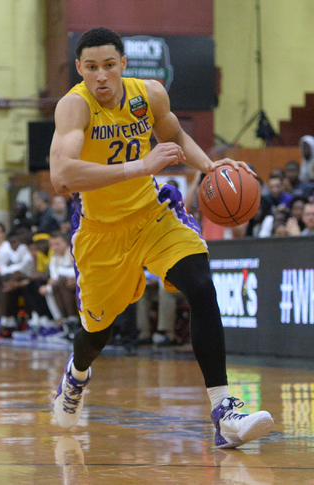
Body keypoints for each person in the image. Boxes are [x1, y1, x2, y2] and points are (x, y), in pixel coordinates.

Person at [49, 27, 273, 449]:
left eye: (109, 66)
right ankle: (76, 377)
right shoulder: (74, 108)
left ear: (123, 66)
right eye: (92, 68)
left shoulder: (148, 94)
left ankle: (225, 412)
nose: (101, 76)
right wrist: (140, 166)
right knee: (97, 332)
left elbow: (174, 136)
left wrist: (209, 167)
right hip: (101, 233)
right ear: (79, 69)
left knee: (202, 287)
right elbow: (62, 176)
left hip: (154, 216)